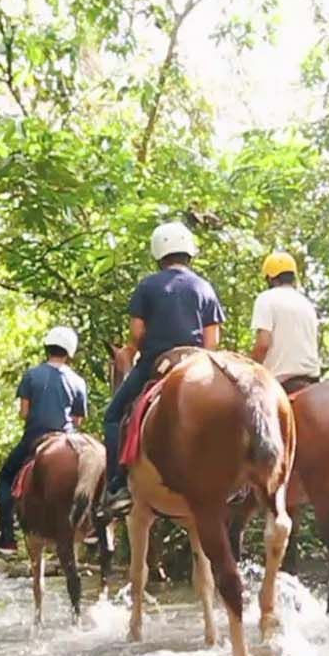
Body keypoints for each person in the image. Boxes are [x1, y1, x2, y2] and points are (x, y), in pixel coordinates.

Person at [98, 221, 225, 518]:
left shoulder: (148, 286)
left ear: (159, 253)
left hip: (158, 363)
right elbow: (212, 340)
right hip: (197, 364)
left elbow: (138, 332)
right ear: (188, 252)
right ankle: (237, 482)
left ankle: (118, 486)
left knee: (113, 416)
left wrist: (133, 348)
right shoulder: (204, 287)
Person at [0, 326, 88, 552]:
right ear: (69, 352)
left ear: (47, 348)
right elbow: (78, 420)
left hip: (36, 437)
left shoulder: (31, 375)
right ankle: (94, 526)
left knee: (5, 477)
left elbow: (24, 413)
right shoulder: (78, 381)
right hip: (67, 439)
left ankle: (7, 536)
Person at [250, 251, 322, 394]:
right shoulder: (307, 304)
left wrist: (250, 368)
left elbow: (263, 344)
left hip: (280, 382)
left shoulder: (266, 299)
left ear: (270, 278)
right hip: (313, 382)